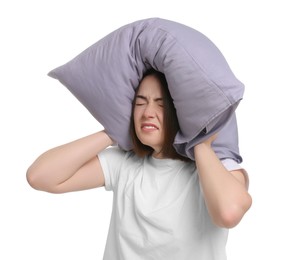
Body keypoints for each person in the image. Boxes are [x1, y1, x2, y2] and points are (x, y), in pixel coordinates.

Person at [26, 69, 252, 260]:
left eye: (161, 105)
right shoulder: (124, 164)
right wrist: (112, 132)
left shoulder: (215, 169)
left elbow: (229, 213)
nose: (147, 113)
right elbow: (40, 176)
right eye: (140, 103)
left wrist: (201, 144)